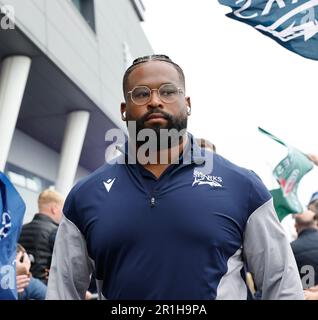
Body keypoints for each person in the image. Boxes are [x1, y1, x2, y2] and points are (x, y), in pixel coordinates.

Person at [47, 54, 303, 300]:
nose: (155, 101)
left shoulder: (243, 186)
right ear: (124, 110)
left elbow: (282, 283)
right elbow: (62, 291)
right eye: (142, 93)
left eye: (168, 91)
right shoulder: (85, 196)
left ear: (188, 104)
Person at [19, 189, 64, 284]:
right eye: (62, 209)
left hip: (21, 285)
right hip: (45, 289)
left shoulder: (21, 229)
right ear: (54, 208)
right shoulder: (56, 232)